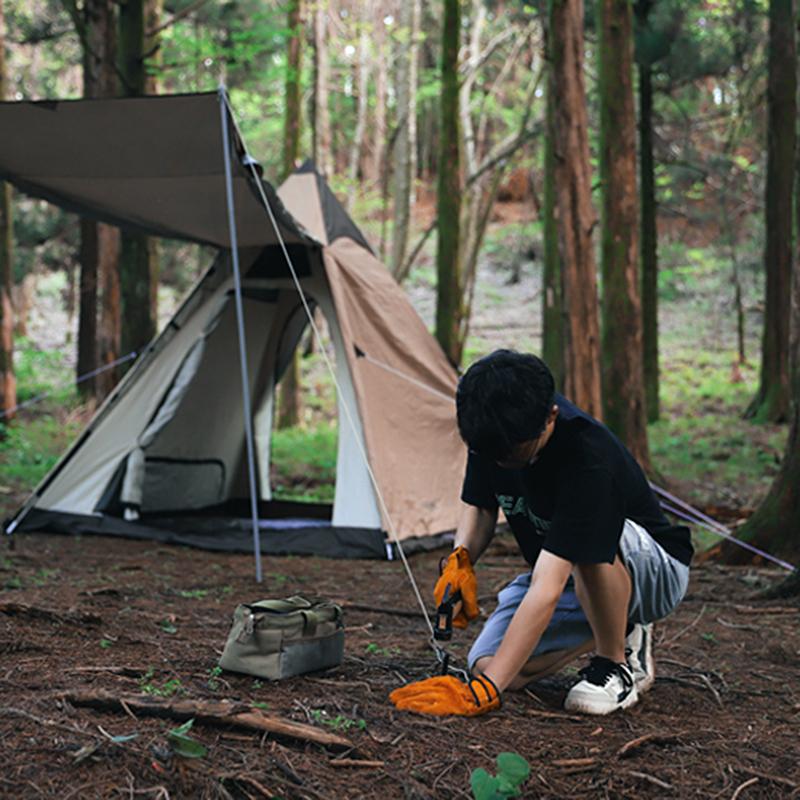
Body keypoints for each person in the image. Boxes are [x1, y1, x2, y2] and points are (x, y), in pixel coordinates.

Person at [390, 350, 693, 717]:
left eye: (513, 453)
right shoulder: (493, 428)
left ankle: (615, 664)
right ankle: (621, 626)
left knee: (586, 547)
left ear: (551, 416)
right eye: (492, 454)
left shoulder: (586, 459)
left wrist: (485, 693)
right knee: (490, 664)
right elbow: (481, 506)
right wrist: (461, 561)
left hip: (652, 570)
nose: (503, 462)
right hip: (570, 572)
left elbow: (546, 587)